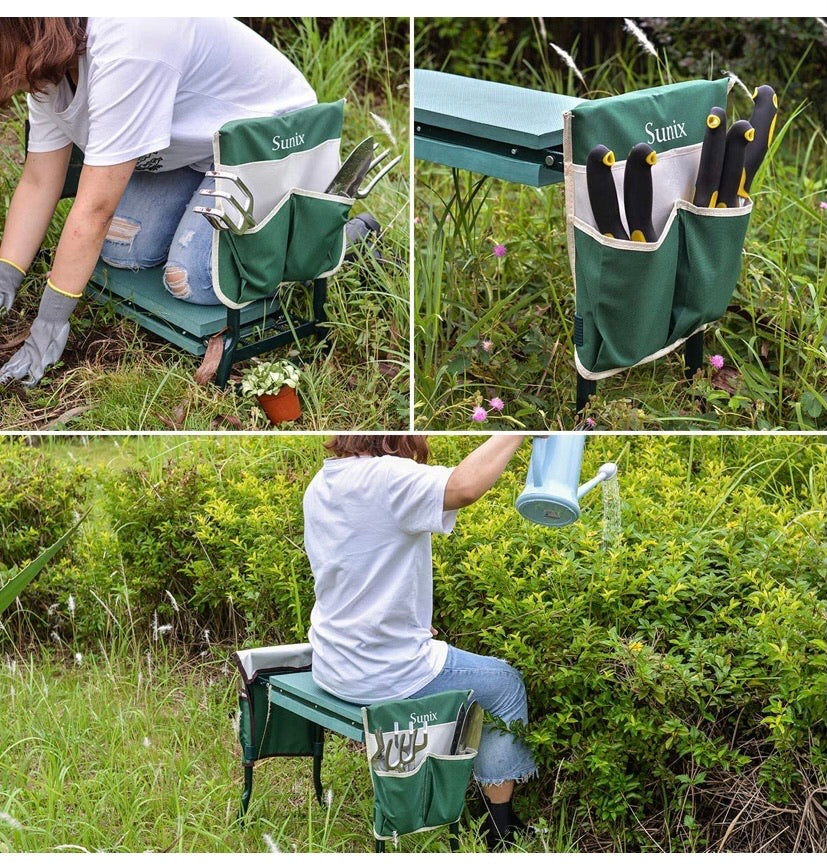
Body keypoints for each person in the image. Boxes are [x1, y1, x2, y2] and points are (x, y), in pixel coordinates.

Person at [0, 18, 356, 387]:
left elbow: (95, 210)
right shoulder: (45, 66)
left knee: (192, 280)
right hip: (195, 150)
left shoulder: (131, 40)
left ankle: (325, 234)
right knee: (122, 250)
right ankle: (203, 221)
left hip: (267, 142)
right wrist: (6, 275)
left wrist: (49, 323)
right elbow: (39, 180)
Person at [303, 434, 537, 849]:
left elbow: (354, 567)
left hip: (332, 662)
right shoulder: (389, 476)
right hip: (383, 675)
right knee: (504, 683)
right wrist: (514, 432)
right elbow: (463, 488)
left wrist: (405, 621)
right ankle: (500, 827)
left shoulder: (324, 481)